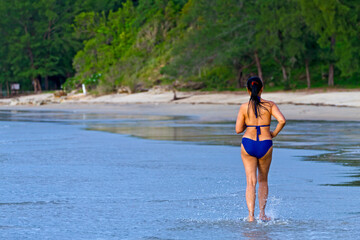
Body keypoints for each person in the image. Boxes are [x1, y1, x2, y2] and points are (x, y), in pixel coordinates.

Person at [235, 76, 286, 221]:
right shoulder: (270, 105)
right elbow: (282, 120)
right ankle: (262, 214)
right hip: (265, 143)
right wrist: (274, 133)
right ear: (262, 89)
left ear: (247, 90)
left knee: (250, 182)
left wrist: (248, 122)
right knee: (263, 180)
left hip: (248, 143)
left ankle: (251, 216)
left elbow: (238, 129)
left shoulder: (244, 107)